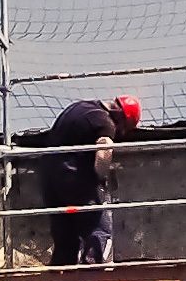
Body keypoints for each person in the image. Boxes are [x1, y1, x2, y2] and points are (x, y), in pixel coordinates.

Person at [28, 94, 145, 269]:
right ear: (121, 118)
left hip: (48, 178)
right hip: (74, 178)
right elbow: (104, 151)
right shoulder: (105, 122)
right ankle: (93, 274)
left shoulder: (80, 107)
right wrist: (100, 178)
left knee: (65, 234)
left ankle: (60, 279)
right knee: (99, 228)